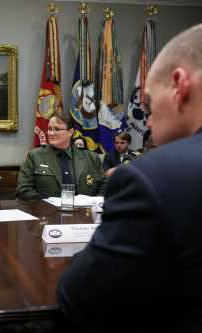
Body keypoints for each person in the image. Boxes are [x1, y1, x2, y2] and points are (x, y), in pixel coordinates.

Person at [57, 23, 202, 333]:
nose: (146, 121)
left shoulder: (154, 176)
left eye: (147, 105)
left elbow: (79, 297)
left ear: (179, 84)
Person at [16, 111, 105, 200]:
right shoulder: (35, 156)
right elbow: (23, 190)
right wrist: (47, 202)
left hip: (84, 211)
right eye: (49, 129)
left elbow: (104, 187)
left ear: (70, 132)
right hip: (45, 212)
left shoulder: (91, 158)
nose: (51, 133)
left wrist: (94, 203)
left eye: (56, 129)